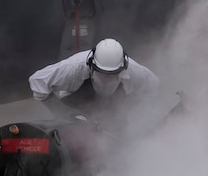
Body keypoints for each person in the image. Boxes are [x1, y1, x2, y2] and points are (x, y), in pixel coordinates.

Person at [28, 38, 159, 123]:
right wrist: (65, 113)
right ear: (91, 65)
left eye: (113, 74)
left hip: (114, 116)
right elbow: (37, 81)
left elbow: (153, 88)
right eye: (102, 73)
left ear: (123, 68)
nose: (107, 79)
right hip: (74, 114)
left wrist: (130, 110)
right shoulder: (74, 67)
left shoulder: (135, 71)